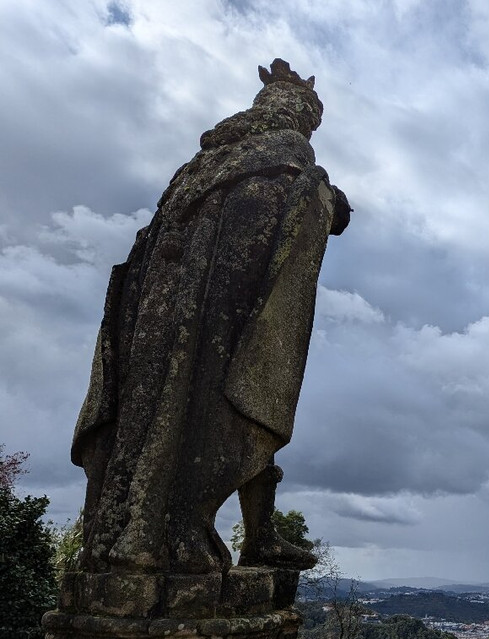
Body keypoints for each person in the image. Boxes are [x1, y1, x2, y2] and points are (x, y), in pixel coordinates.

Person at [72, 59, 350, 574]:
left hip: (156, 319)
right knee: (243, 390)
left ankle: (246, 535)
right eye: (309, 115)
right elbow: (297, 213)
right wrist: (327, 200)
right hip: (212, 314)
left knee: (185, 409)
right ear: (297, 115)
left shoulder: (202, 165)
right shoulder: (285, 154)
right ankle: (196, 529)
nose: (308, 126)